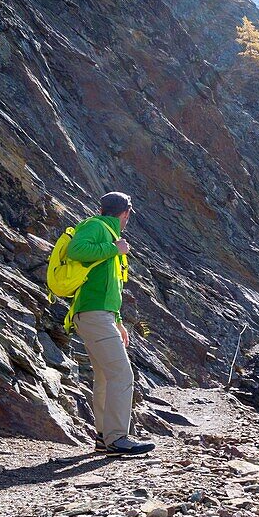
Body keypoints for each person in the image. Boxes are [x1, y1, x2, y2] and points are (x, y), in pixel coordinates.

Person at [66, 192, 155, 456]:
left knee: (105, 376)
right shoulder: (97, 227)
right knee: (122, 374)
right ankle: (118, 438)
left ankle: (105, 438)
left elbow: (107, 287)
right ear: (126, 213)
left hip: (99, 315)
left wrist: (117, 321)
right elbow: (76, 250)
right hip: (93, 315)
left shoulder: (108, 232)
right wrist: (114, 249)